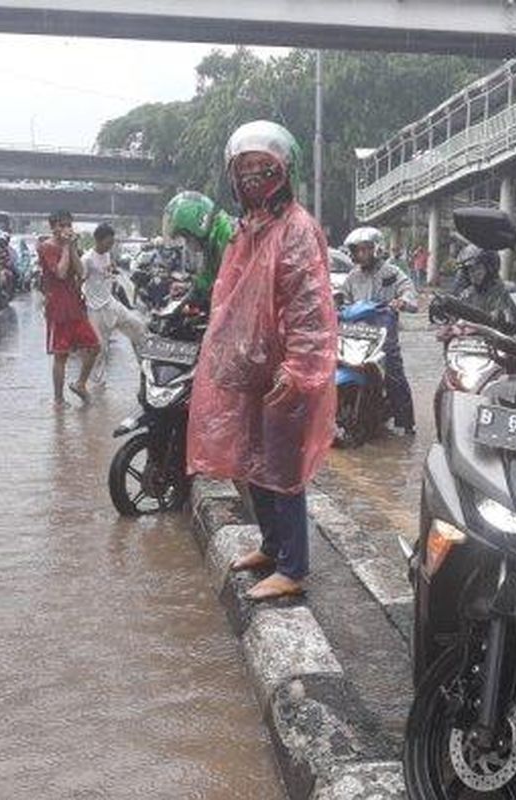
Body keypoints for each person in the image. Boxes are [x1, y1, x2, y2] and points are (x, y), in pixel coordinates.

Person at [187, 120, 337, 601]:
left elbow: (309, 307)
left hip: (282, 373)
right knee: (255, 465)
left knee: (284, 471)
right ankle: (272, 546)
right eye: (244, 167)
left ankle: (292, 567)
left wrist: (298, 367)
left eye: (262, 166)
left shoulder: (296, 229)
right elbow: (228, 296)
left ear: (283, 170)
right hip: (248, 370)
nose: (252, 176)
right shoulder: (246, 230)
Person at [340, 225, 419, 435]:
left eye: (365, 249)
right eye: (357, 250)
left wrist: (402, 301)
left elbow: (409, 293)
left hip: (384, 335)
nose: (360, 254)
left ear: (376, 249)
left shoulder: (392, 273)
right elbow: (343, 300)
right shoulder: (352, 277)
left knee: (394, 373)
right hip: (355, 334)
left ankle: (406, 423)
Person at [38, 210, 99, 405]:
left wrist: (72, 248)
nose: (66, 229)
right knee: (61, 354)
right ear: (53, 227)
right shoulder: (46, 247)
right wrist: (65, 247)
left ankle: (80, 383)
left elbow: (81, 272)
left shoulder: (70, 245)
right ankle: (58, 399)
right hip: (58, 307)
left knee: (94, 346)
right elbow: (62, 273)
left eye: (68, 225)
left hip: (75, 305)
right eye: (61, 225)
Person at [82, 222, 145, 385]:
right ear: (98, 240)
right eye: (108, 242)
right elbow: (79, 281)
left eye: (112, 242)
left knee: (137, 326)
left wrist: (113, 272)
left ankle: (145, 364)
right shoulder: (87, 259)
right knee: (101, 348)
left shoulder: (108, 255)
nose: (110, 245)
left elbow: (109, 270)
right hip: (95, 309)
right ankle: (97, 380)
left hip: (110, 303)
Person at [161, 190, 235, 308]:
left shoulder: (226, 235)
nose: (187, 243)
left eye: (186, 236)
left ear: (196, 226)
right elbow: (207, 277)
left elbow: (230, 283)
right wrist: (191, 290)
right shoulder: (212, 240)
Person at [454, 244, 511, 317]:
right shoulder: (468, 294)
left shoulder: (504, 292)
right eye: (469, 270)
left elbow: (504, 322)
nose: (472, 274)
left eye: (477, 268)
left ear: (490, 268)